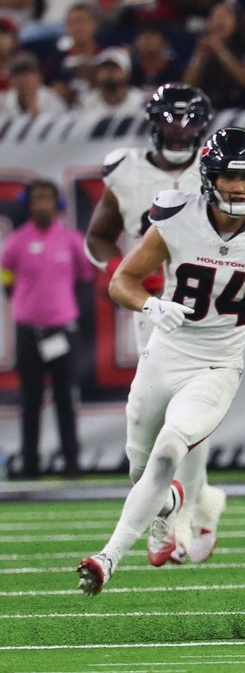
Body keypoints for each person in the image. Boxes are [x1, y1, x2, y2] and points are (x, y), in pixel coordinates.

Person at [76, 127, 245, 595]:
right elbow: (121, 280)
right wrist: (149, 304)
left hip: (217, 366)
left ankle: (108, 557)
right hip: (163, 356)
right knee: (140, 470)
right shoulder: (176, 216)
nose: (239, 187)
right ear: (207, 178)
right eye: (228, 176)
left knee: (169, 450)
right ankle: (167, 508)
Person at [84, 82, 233, 565]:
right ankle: (198, 501)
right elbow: (100, 237)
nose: (179, 131)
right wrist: (123, 276)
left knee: (189, 418)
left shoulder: (220, 166)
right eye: (170, 121)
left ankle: (180, 515)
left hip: (203, 308)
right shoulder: (126, 170)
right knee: (154, 430)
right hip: (150, 305)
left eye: (189, 122)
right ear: (152, 125)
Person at [0, 179, 94, 479]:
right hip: (29, 331)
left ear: (59, 204)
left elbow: (84, 278)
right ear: (28, 204)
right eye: (36, 198)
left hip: (63, 330)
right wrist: (27, 308)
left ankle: (71, 463)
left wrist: (62, 308)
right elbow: (6, 279)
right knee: (30, 398)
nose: (42, 204)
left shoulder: (71, 241)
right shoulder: (15, 242)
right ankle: (31, 464)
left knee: (66, 396)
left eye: (47, 198)